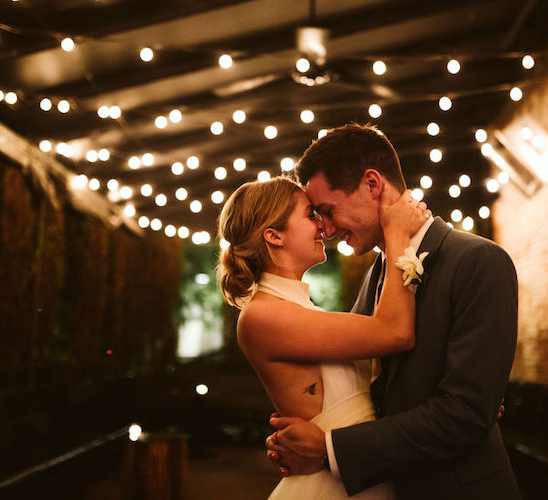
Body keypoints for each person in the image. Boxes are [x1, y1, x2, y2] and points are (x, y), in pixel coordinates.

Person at [265, 123, 521, 499]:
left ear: (372, 184)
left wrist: (330, 449)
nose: (329, 230)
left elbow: (465, 415)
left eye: (328, 210)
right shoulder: (377, 275)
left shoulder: (478, 260)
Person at [216, 176, 430, 499]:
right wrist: (396, 233)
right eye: (309, 215)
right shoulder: (261, 316)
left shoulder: (300, 307)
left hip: (359, 470)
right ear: (274, 236)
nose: (323, 227)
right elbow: (393, 331)